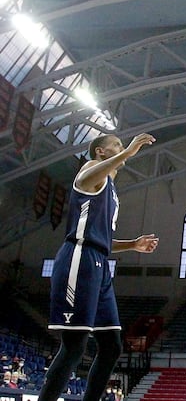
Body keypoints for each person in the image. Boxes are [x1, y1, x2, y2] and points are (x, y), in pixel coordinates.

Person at [37, 133, 159, 401]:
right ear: (101, 152)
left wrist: (133, 245)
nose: (120, 146)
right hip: (78, 258)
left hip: (99, 263)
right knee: (74, 346)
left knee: (111, 346)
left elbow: (101, 238)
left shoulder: (109, 188)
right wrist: (127, 152)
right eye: (115, 144)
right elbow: (81, 180)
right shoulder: (90, 169)